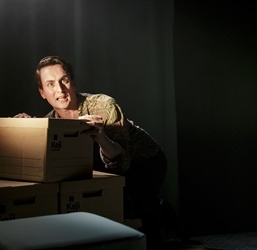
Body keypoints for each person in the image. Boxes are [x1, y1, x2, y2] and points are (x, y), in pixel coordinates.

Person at [15, 55, 168, 249]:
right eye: (50, 84)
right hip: (107, 166)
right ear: (42, 92)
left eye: (64, 81)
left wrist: (101, 136)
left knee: (142, 212)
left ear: (74, 82)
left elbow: (123, 164)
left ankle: (159, 216)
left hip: (145, 161)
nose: (60, 90)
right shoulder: (50, 122)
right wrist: (26, 128)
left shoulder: (104, 105)